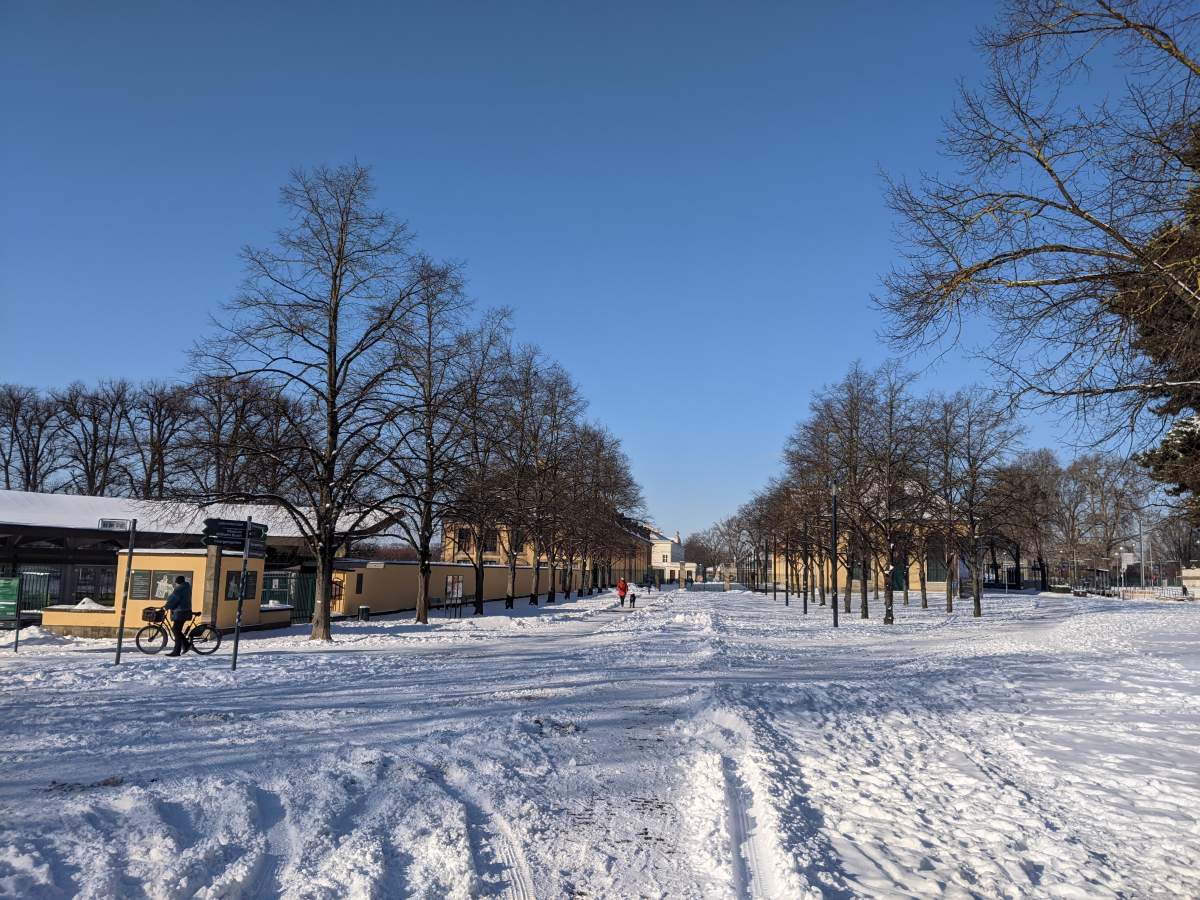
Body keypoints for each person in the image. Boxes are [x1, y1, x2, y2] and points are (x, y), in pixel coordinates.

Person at [164, 576, 192, 657]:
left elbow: (173, 598)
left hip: (180, 612)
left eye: (176, 582)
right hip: (185, 611)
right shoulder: (187, 587)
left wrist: (166, 606)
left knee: (176, 630)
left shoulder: (180, 589)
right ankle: (186, 645)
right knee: (177, 630)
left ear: (178, 582)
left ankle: (176, 651)